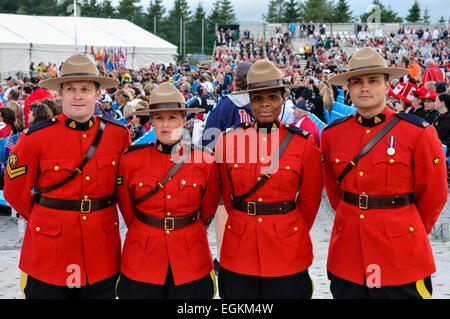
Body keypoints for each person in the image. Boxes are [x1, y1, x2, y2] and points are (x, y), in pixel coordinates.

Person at [323, 47, 448, 299]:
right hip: (350, 254)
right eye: (357, 82)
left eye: (373, 81)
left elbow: (434, 193)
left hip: (400, 256)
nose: (364, 88)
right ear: (348, 87)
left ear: (388, 85)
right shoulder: (332, 134)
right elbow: (335, 191)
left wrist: (403, 229)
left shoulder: (417, 133)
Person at [3, 54, 131, 299]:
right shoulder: (34, 138)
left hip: (100, 252)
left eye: (85, 89)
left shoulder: (118, 136)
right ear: (60, 93)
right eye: (70, 89)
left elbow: (125, 190)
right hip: (49, 252)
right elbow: (14, 191)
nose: (78, 96)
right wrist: (48, 217)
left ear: (97, 93)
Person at [215, 60, 323, 299]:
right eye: (257, 98)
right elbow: (227, 194)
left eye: (272, 97)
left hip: (287, 246)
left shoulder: (302, 143)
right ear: (249, 101)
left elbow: (311, 199)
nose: (264, 104)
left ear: (283, 99)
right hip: (240, 245)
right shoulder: (228, 141)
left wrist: (288, 229)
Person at [115, 82, 220, 299]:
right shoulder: (131, 159)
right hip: (143, 253)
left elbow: (208, 210)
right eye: (159, 118)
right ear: (151, 121)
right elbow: (127, 208)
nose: (166, 124)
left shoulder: (205, 160)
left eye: (172, 118)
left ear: (184, 120)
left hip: (190, 254)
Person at [201, 61, 253, 275]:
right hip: (262, 169)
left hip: (230, 169)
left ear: (236, 80)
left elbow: (208, 140)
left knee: (224, 208)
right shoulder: (266, 101)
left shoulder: (225, 104)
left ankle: (224, 259)